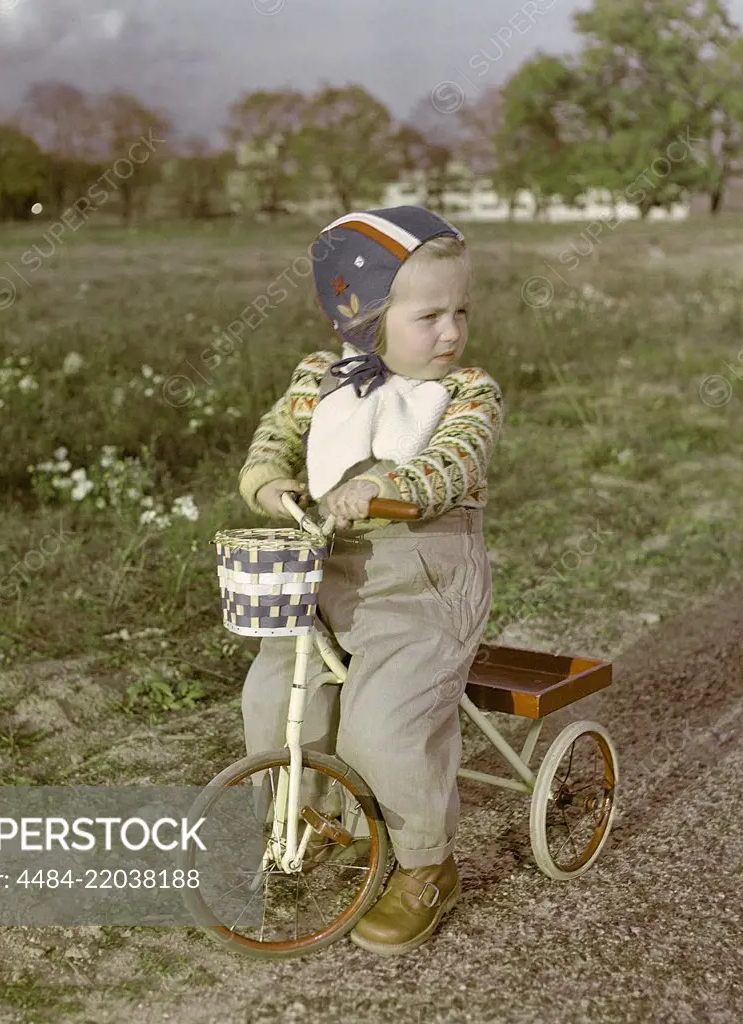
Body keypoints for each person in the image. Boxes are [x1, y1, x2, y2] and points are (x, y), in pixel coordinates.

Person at [237, 206, 503, 955]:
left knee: (382, 724)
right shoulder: (320, 379)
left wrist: (393, 488)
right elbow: (274, 439)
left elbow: (455, 460)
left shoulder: (466, 394)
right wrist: (268, 483)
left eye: (460, 312)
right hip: (328, 576)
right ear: (366, 320)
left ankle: (426, 863)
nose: (450, 332)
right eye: (428, 316)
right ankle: (323, 818)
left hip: (425, 581)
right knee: (277, 692)